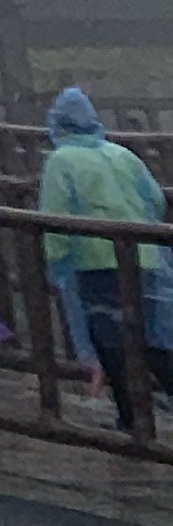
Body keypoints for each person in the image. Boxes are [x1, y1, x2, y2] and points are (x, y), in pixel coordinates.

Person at [35, 87, 169, 426]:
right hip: (146, 256)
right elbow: (155, 201)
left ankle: (132, 417)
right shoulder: (122, 154)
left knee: (110, 340)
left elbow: (55, 217)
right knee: (152, 336)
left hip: (96, 262)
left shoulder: (60, 161)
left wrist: (57, 262)